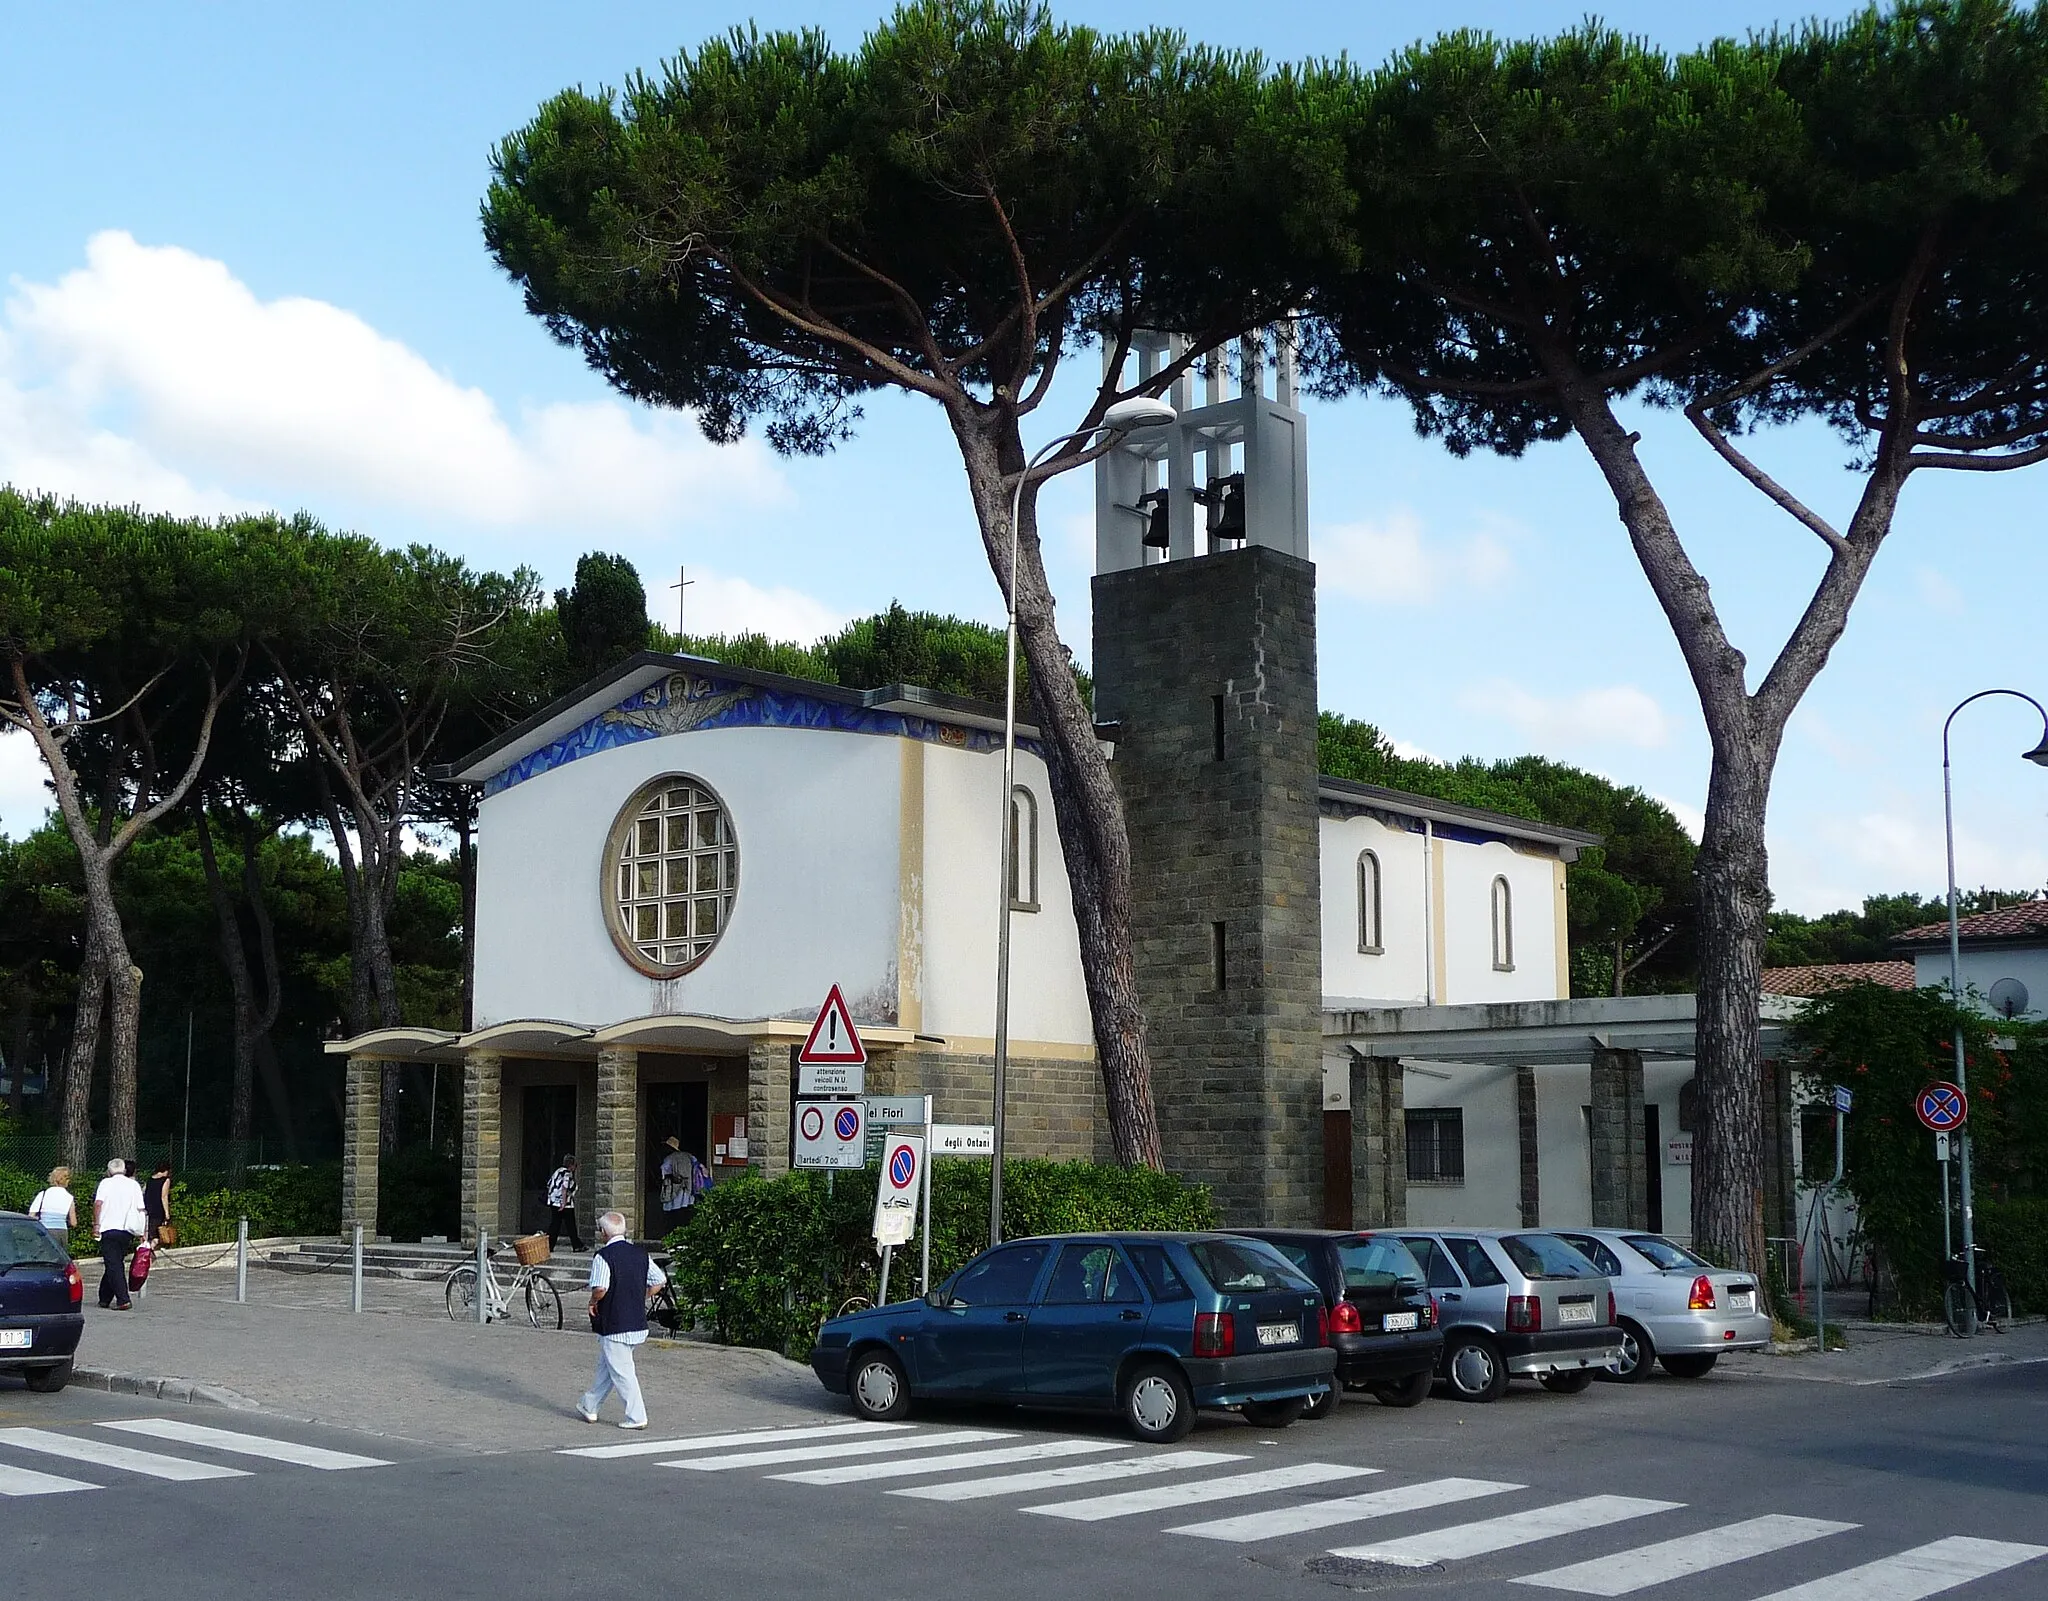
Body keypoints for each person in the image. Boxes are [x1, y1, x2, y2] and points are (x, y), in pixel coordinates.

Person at [576, 1210, 663, 1430]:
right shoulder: (640, 1254)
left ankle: (636, 1416)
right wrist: (639, 1295)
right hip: (636, 1322)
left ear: (604, 1232)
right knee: (608, 1367)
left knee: (622, 1371)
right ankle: (590, 1404)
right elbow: (658, 1281)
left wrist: (592, 1302)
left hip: (615, 1322)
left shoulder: (603, 1256)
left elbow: (601, 1288)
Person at [93, 1158, 148, 1311]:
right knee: (115, 1262)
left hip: (109, 1228)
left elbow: (98, 1204)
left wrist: (96, 1224)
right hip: (127, 1229)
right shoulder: (133, 1185)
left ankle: (123, 1299)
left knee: (113, 1264)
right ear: (124, 1170)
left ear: (109, 1171)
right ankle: (104, 1298)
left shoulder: (105, 1183)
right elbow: (140, 1209)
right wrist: (142, 1231)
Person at [658, 1136, 708, 1221]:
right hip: (688, 1187)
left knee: (673, 1212)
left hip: (675, 1188)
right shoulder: (689, 1156)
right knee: (686, 1211)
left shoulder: (669, 1158)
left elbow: (664, 1171)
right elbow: (699, 1165)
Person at [545, 1154, 584, 1250]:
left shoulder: (558, 1171)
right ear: (571, 1165)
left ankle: (549, 1245)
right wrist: (563, 1202)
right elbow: (564, 1187)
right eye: (575, 1165)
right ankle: (577, 1245)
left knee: (555, 1223)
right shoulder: (567, 1173)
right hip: (565, 1203)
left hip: (553, 1201)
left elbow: (549, 1184)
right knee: (570, 1225)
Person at [27, 1167, 77, 1235]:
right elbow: (73, 1223)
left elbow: (31, 1216)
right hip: (62, 1231)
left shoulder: (43, 1194)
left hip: (45, 1230)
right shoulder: (69, 1197)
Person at [143, 1162, 173, 1245]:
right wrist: (167, 1212)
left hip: (148, 1208)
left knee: (150, 1232)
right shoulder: (165, 1180)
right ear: (166, 1170)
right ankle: (150, 1250)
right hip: (158, 1209)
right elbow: (164, 1196)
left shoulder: (150, 1180)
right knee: (158, 1233)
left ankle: (148, 1247)